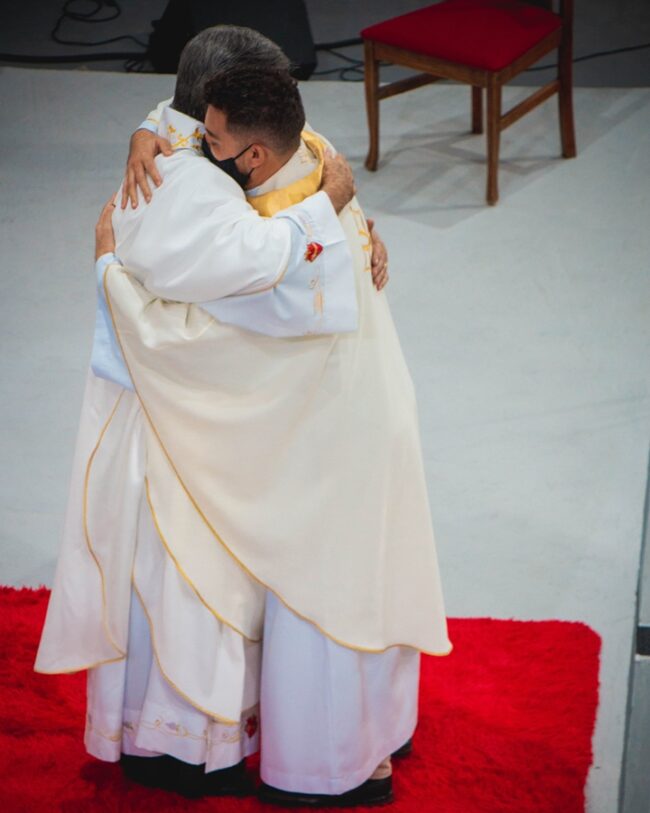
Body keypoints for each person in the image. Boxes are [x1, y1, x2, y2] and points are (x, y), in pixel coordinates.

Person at [36, 27, 452, 808]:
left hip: (296, 428)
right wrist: (340, 213)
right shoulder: (292, 165)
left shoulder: (248, 200)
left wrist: (110, 273)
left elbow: (253, 275)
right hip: (314, 410)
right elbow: (279, 236)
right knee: (304, 584)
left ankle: (316, 762)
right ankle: (335, 742)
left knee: (296, 588)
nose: (200, 138)